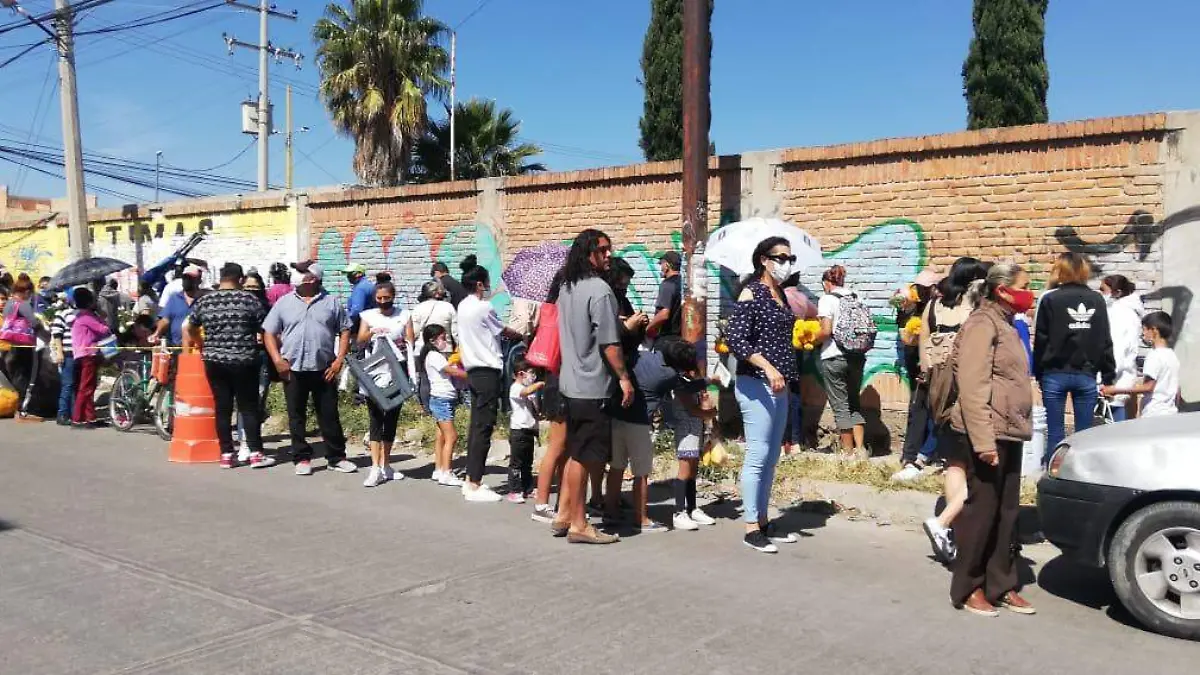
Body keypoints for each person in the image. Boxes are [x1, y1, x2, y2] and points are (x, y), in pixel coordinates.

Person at [949, 262, 1036, 617]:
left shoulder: (1007, 324)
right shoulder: (982, 325)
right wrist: (983, 442)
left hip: (1010, 430)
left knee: (1006, 513)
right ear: (1003, 290)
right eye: (1024, 286)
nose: (1030, 293)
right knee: (981, 514)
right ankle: (969, 587)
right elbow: (972, 386)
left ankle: (1000, 583)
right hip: (988, 432)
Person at [554, 228, 632, 544]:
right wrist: (625, 378)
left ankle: (563, 515)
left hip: (571, 384)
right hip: (593, 386)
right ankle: (579, 524)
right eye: (603, 250)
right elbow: (610, 344)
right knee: (587, 457)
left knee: (576, 451)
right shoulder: (600, 290)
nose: (609, 255)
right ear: (589, 253)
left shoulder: (567, 287)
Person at [726, 237, 802, 554]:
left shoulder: (781, 293)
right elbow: (736, 340)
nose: (785, 263)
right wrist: (768, 368)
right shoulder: (751, 292)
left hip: (780, 384)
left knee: (771, 458)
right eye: (779, 257)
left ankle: (764, 520)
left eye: (789, 257)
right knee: (757, 455)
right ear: (763, 260)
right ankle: (750, 527)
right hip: (757, 383)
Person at [917, 257, 990, 562]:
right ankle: (950, 523)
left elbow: (922, 340)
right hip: (965, 387)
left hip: (937, 386)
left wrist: (928, 371)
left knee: (953, 462)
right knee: (975, 463)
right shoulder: (975, 307)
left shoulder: (934, 304)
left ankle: (952, 530)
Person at [262, 264, 358, 476]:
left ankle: (336, 457)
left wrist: (339, 360)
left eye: (302, 271)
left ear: (313, 278)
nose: (296, 276)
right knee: (296, 415)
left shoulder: (331, 302)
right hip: (293, 368)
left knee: (329, 415)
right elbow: (268, 332)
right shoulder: (284, 303)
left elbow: (345, 330)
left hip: (324, 368)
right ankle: (302, 457)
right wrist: (277, 359)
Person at [606, 337, 710, 533]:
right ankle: (642, 519)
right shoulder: (668, 374)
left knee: (617, 467)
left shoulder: (643, 355)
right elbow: (687, 388)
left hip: (618, 415)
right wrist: (709, 380)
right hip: (638, 421)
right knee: (641, 473)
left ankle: (610, 511)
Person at [184, 263, 269, 469]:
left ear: (221, 278)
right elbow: (265, 328)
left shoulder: (205, 300)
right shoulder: (248, 299)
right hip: (244, 360)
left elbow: (191, 327)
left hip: (214, 361)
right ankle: (256, 453)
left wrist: (201, 343)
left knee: (222, 408)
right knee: (248, 408)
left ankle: (226, 454)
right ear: (240, 279)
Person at [1033, 253, 1115, 464]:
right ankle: (1081, 472)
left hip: (1054, 373)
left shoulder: (1050, 298)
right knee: (1084, 435)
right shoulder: (1096, 299)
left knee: (1055, 432)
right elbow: (1104, 338)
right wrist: (1108, 376)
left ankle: (1054, 472)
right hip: (1086, 372)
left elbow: (1041, 339)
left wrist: (1038, 372)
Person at [458, 265, 525, 502]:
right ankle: (474, 484)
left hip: (474, 371)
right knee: (484, 427)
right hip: (487, 371)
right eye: (486, 281)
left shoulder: (463, 306)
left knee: (476, 426)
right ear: (479, 284)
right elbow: (503, 330)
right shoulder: (483, 307)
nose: (488, 285)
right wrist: (521, 334)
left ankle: (471, 480)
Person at [356, 281, 411, 487]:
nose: (382, 302)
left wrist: (400, 343)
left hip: (397, 373)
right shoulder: (368, 315)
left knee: (392, 418)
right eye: (379, 298)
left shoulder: (403, 315)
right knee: (375, 419)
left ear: (393, 296)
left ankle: (386, 464)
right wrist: (373, 332)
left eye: (386, 298)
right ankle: (374, 467)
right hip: (375, 373)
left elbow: (410, 340)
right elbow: (360, 339)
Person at [530, 269, 570, 524]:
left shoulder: (550, 313)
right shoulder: (562, 316)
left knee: (563, 448)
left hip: (555, 381)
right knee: (557, 447)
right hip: (560, 384)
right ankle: (541, 504)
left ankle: (557, 503)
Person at [891, 271, 939, 480]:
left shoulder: (935, 305)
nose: (923, 290)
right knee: (919, 406)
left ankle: (920, 453)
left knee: (928, 407)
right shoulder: (911, 304)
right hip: (916, 361)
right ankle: (912, 456)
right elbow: (902, 330)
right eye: (921, 287)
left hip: (928, 360)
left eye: (926, 287)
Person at [815, 265, 867, 456]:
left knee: (840, 406)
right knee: (854, 402)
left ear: (826, 283)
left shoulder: (827, 299)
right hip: (857, 356)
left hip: (834, 356)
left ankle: (847, 453)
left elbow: (826, 331)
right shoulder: (856, 296)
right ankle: (861, 450)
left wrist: (811, 338)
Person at [1102, 311, 1179, 418]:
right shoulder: (1172, 355)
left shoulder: (1154, 356)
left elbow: (1148, 387)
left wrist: (1116, 390)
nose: (1143, 333)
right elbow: (1177, 389)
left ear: (1154, 330)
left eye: (1144, 329)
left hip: (1154, 413)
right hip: (1170, 412)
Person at [419, 324, 466, 487]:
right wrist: (471, 375)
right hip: (442, 399)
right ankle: (447, 472)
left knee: (441, 436)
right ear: (432, 340)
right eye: (442, 338)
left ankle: (439, 469)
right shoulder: (434, 355)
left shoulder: (434, 355)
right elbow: (451, 371)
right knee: (452, 436)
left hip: (443, 398)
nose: (445, 341)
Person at [1098, 275, 1144, 422]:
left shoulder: (1119, 313)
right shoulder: (1127, 312)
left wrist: (1107, 380)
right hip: (1122, 377)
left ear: (1117, 292)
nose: (1100, 294)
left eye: (1103, 290)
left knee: (1111, 427)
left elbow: (1116, 349)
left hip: (1115, 380)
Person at [69, 287, 111, 429]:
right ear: (89, 302)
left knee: (89, 386)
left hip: (83, 354)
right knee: (86, 387)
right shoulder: (86, 317)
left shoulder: (80, 316)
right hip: (88, 355)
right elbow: (104, 330)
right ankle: (78, 418)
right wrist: (101, 315)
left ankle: (90, 417)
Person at [1, 275, 41, 410]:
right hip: (24, 345)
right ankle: (24, 407)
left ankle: (19, 406)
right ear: (27, 291)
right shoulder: (23, 304)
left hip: (10, 344)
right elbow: (34, 322)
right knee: (25, 375)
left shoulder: (8, 304)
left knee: (16, 376)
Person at [507, 359, 544, 504]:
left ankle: (528, 488)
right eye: (531, 373)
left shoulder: (531, 390)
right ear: (521, 374)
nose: (533, 376)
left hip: (529, 429)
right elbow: (525, 392)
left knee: (527, 463)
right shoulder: (516, 387)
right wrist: (540, 384)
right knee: (516, 462)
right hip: (519, 430)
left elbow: (535, 407)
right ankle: (514, 490)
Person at [154, 265, 205, 348]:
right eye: (184, 278)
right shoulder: (174, 298)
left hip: (197, 349)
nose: (186, 281)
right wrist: (157, 333)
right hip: (176, 348)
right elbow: (165, 319)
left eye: (190, 278)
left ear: (199, 281)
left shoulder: (204, 300)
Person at [50, 289, 79, 426]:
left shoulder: (80, 315)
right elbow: (56, 334)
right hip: (67, 353)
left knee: (75, 385)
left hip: (79, 353)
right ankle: (62, 414)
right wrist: (59, 352)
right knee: (67, 384)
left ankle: (74, 414)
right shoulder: (61, 314)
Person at [646, 250, 682, 343]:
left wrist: (648, 328)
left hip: (667, 340)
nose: (661, 268)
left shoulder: (667, 284)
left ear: (667, 265)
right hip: (681, 338)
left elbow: (664, 314)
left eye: (661, 264)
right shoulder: (683, 283)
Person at [343, 263, 376, 334]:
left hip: (360, 327)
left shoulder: (360, 288)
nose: (348, 277)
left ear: (359, 274)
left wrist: (345, 323)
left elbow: (356, 310)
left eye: (351, 274)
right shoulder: (368, 285)